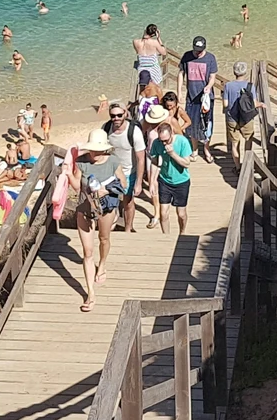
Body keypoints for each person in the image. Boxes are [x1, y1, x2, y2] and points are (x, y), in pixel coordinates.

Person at [72, 128, 123, 312]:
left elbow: (123, 184)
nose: (93, 153)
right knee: (87, 252)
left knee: (104, 239)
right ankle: (90, 294)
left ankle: (102, 264)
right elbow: (77, 186)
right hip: (84, 209)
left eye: (96, 150)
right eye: (91, 149)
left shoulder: (113, 162)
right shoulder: (81, 162)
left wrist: (106, 190)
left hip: (105, 208)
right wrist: (68, 174)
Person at [146, 105, 194, 235]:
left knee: (181, 213)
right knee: (163, 213)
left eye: (166, 140)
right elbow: (155, 163)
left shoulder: (182, 142)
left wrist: (172, 154)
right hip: (165, 181)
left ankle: (182, 233)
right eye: (162, 141)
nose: (164, 144)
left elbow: (186, 163)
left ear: (172, 133)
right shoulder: (157, 143)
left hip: (181, 181)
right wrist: (152, 182)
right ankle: (166, 237)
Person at [105, 100, 150, 232]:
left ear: (125, 114)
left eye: (119, 115)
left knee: (128, 202)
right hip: (111, 171)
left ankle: (128, 229)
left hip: (129, 171)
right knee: (108, 201)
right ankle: (109, 227)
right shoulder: (106, 128)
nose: (116, 118)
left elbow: (141, 158)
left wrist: (139, 182)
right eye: (113, 116)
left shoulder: (134, 132)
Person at [179, 35, 220, 162]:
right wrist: (179, 91)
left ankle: (206, 149)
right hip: (191, 97)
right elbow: (181, 74)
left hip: (206, 98)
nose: (198, 53)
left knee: (207, 125)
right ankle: (195, 149)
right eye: (196, 50)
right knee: (192, 124)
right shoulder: (187, 56)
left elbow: (213, 77)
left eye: (200, 50)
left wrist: (208, 86)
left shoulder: (210, 58)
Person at [223, 61, 258, 158]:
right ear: (245, 72)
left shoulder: (228, 85)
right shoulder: (250, 86)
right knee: (248, 140)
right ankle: (246, 163)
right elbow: (254, 104)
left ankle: (238, 167)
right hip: (247, 118)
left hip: (232, 118)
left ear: (234, 72)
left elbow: (225, 104)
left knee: (235, 144)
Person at [133, 23, 166, 91]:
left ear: (145, 31)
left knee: (142, 90)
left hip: (142, 68)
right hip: (153, 68)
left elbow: (137, 51)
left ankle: (141, 99)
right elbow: (164, 52)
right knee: (156, 88)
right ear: (154, 34)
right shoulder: (154, 42)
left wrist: (144, 34)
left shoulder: (135, 42)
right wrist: (158, 38)